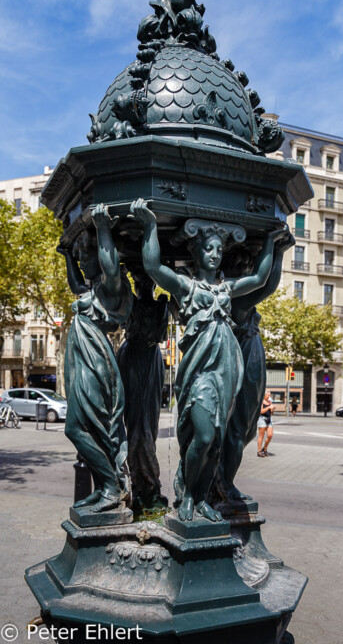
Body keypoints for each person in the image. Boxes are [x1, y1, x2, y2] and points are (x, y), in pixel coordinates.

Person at [130, 198, 286, 522]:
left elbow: (259, 280)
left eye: (218, 249)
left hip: (227, 369)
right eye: (209, 249)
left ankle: (200, 499)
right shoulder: (186, 287)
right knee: (202, 435)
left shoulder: (227, 289)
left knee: (215, 440)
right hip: (201, 370)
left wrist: (273, 242)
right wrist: (149, 226)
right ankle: (186, 492)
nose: (215, 254)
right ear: (197, 251)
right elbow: (154, 268)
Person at [57, 204, 133, 513]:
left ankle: (111, 486)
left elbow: (111, 267)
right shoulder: (93, 289)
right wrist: (66, 257)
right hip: (83, 358)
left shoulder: (110, 288)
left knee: (76, 427)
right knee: (88, 428)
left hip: (96, 362)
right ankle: (105, 487)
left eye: (83, 255)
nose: (80, 259)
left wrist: (103, 229)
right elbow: (76, 284)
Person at [216, 229, 294, 501]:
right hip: (246, 359)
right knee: (240, 428)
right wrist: (278, 250)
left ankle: (221, 480)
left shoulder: (231, 293)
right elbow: (268, 284)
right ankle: (224, 483)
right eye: (243, 265)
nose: (248, 269)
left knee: (242, 429)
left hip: (248, 357)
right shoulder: (236, 297)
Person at [116, 270, 168, 510]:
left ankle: (145, 482)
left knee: (144, 422)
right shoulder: (154, 304)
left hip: (144, 360)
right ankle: (141, 482)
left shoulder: (151, 304)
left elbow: (129, 325)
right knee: (140, 421)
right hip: (139, 360)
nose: (141, 285)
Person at [257, 391, 275, 457]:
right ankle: (259, 451)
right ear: (264, 395)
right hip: (262, 418)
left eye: (269, 395)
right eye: (268, 395)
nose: (269, 396)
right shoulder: (261, 401)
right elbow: (260, 411)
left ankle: (264, 449)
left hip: (269, 418)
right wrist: (268, 407)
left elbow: (271, 412)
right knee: (261, 435)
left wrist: (273, 409)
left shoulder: (269, 402)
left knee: (270, 435)